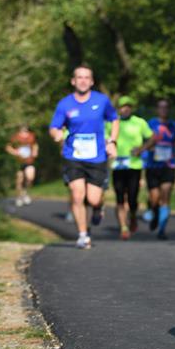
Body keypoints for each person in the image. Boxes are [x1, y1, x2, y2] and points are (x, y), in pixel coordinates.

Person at [49, 65, 118, 249]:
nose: (83, 81)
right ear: (73, 81)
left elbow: (114, 119)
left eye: (87, 77)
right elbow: (54, 127)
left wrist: (112, 141)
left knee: (93, 199)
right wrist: (56, 134)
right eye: (79, 77)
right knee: (77, 195)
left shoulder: (101, 100)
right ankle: (83, 235)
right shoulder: (65, 104)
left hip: (97, 157)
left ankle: (98, 207)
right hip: (73, 156)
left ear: (92, 81)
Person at [108, 96, 152, 240]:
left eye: (128, 106)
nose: (125, 109)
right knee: (120, 198)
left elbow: (152, 138)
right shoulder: (112, 123)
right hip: (118, 165)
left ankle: (132, 216)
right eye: (123, 106)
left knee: (132, 198)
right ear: (118, 108)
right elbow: (104, 137)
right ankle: (123, 227)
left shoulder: (139, 122)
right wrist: (109, 148)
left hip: (134, 165)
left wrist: (141, 149)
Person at [141, 99, 175, 239]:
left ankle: (162, 229)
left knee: (166, 195)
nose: (163, 110)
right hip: (153, 165)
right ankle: (154, 211)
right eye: (161, 107)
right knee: (155, 197)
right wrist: (147, 148)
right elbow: (145, 140)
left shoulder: (174, 125)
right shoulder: (151, 124)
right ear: (157, 109)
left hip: (168, 165)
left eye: (166, 107)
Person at [5, 125, 39, 207]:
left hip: (29, 161)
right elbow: (8, 147)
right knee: (19, 181)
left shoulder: (31, 135)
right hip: (19, 162)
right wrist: (14, 152)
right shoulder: (15, 136)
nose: (24, 129)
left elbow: (35, 144)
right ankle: (18, 197)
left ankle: (25, 193)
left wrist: (35, 151)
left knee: (30, 177)